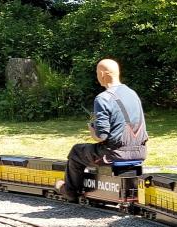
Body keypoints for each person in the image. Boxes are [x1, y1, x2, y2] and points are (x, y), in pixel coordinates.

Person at [56, 59, 148, 199]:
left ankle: (70, 191)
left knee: (76, 151)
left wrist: (92, 130)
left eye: (96, 73)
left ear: (102, 74)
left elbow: (102, 136)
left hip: (114, 155)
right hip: (140, 152)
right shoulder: (132, 93)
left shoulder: (102, 98)